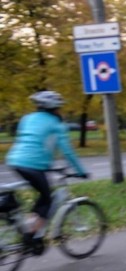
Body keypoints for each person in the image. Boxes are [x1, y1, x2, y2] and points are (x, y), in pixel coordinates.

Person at [5, 91, 88, 250]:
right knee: (47, 198)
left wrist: (47, 163)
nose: (60, 111)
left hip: (15, 160)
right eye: (59, 107)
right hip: (32, 165)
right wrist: (80, 171)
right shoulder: (57, 125)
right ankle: (31, 236)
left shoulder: (27, 118)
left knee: (41, 197)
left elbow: (30, 141)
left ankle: (28, 228)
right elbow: (68, 151)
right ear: (55, 108)